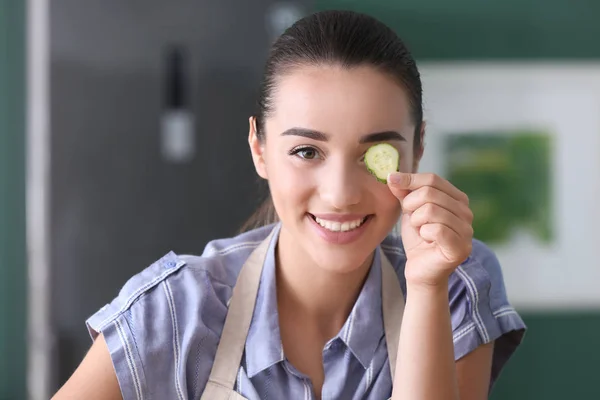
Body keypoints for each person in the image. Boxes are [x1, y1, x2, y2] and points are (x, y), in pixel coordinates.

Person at [53, 10, 526, 400]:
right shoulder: (175, 312)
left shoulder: (456, 285)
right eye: (307, 152)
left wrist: (425, 287)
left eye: (373, 155)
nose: (340, 193)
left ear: (417, 150)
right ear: (259, 148)